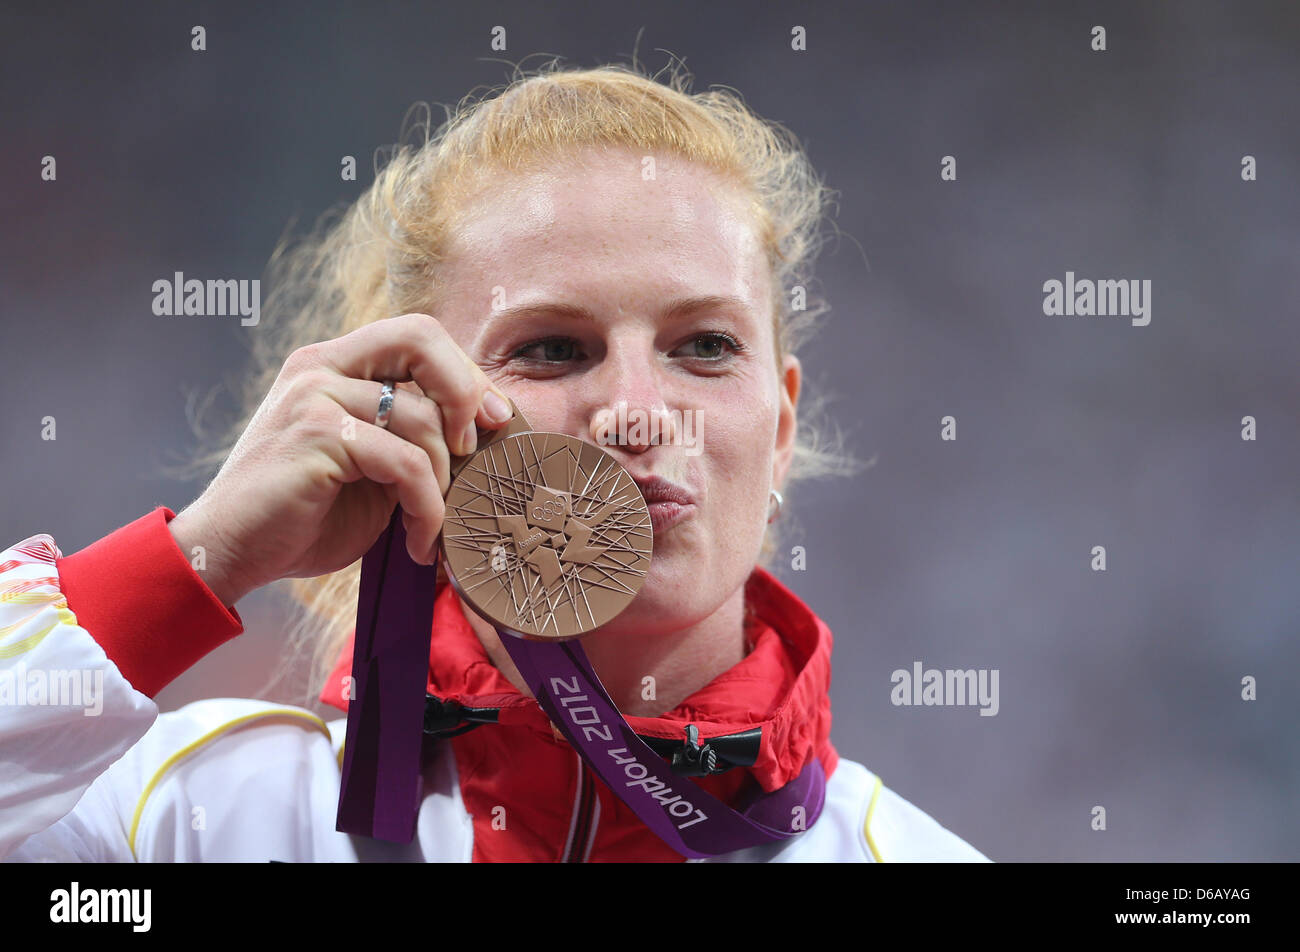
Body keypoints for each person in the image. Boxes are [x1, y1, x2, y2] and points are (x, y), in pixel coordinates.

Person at [0, 62, 988, 862]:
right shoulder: (178, 824)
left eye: (705, 345)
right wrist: (204, 557)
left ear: (777, 427)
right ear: (412, 415)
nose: (639, 413)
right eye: (553, 348)